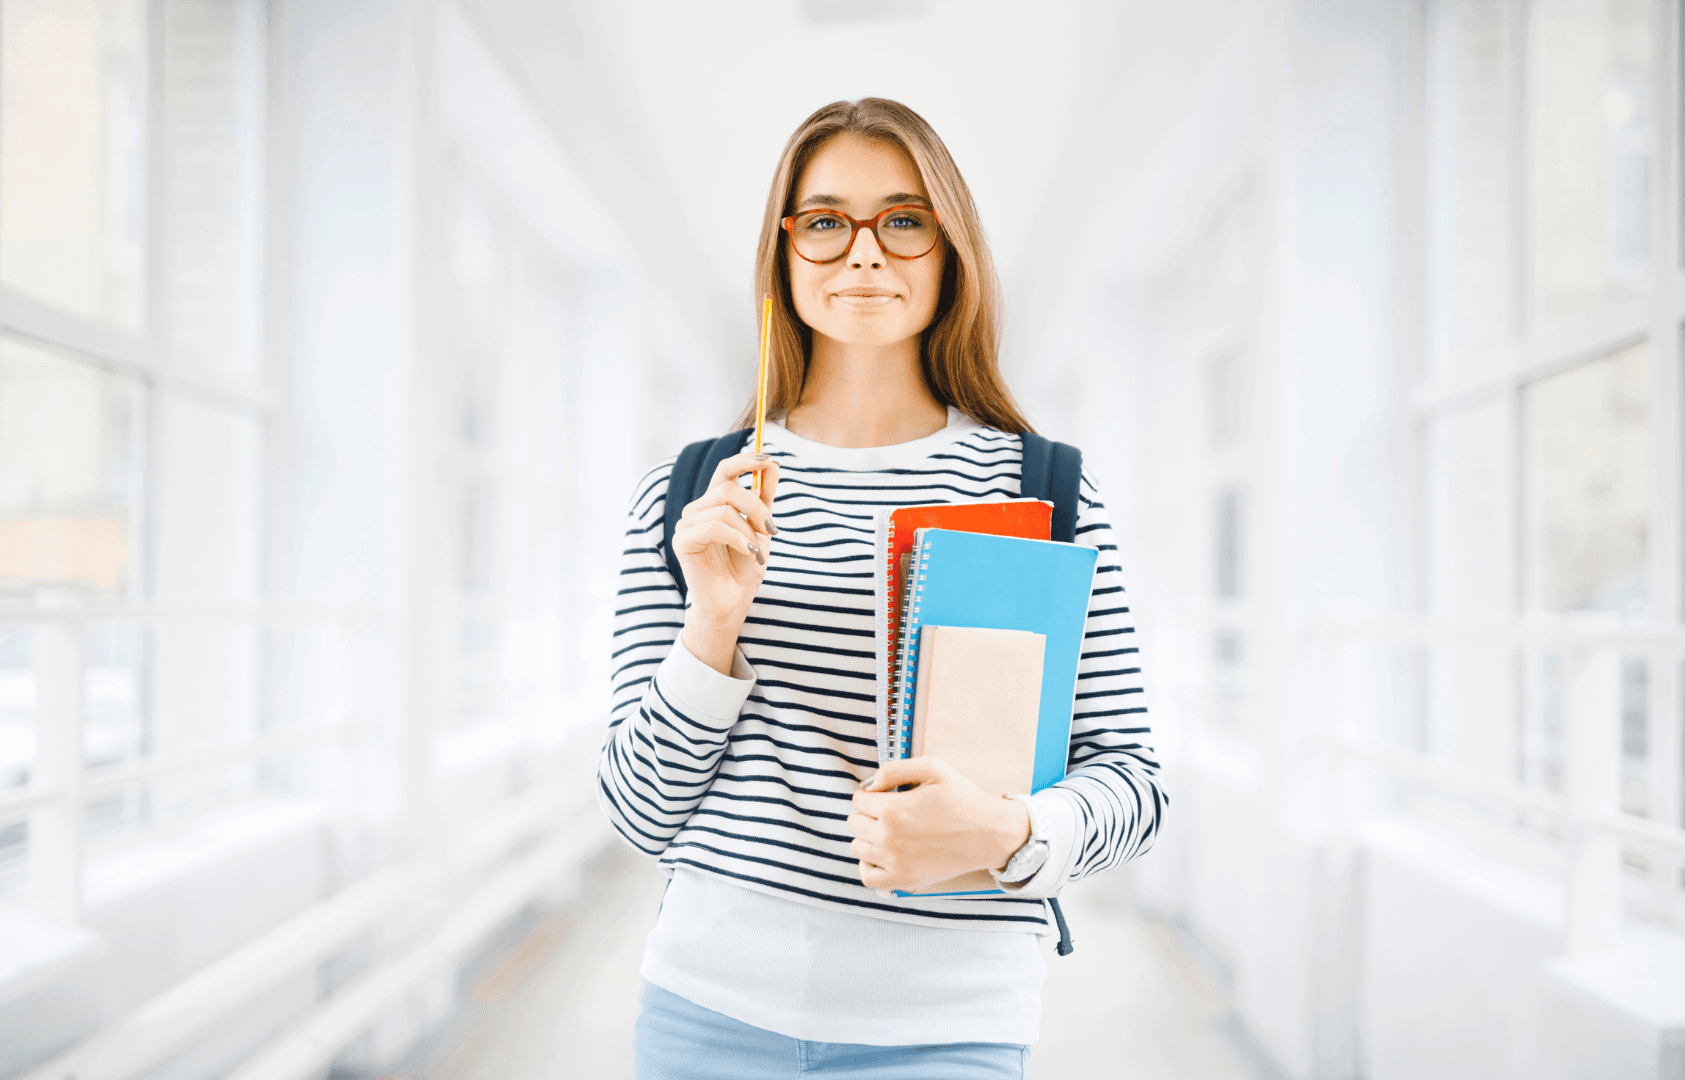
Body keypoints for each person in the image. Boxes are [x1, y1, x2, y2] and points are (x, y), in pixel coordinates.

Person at [597, 98, 1164, 1078]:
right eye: (823, 221)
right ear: (783, 253)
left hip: (949, 1024)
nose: (863, 252)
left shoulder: (1039, 488)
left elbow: (1132, 782)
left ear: (950, 251)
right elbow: (640, 811)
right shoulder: (693, 492)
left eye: (902, 220)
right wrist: (712, 624)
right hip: (705, 1007)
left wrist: (1004, 829)